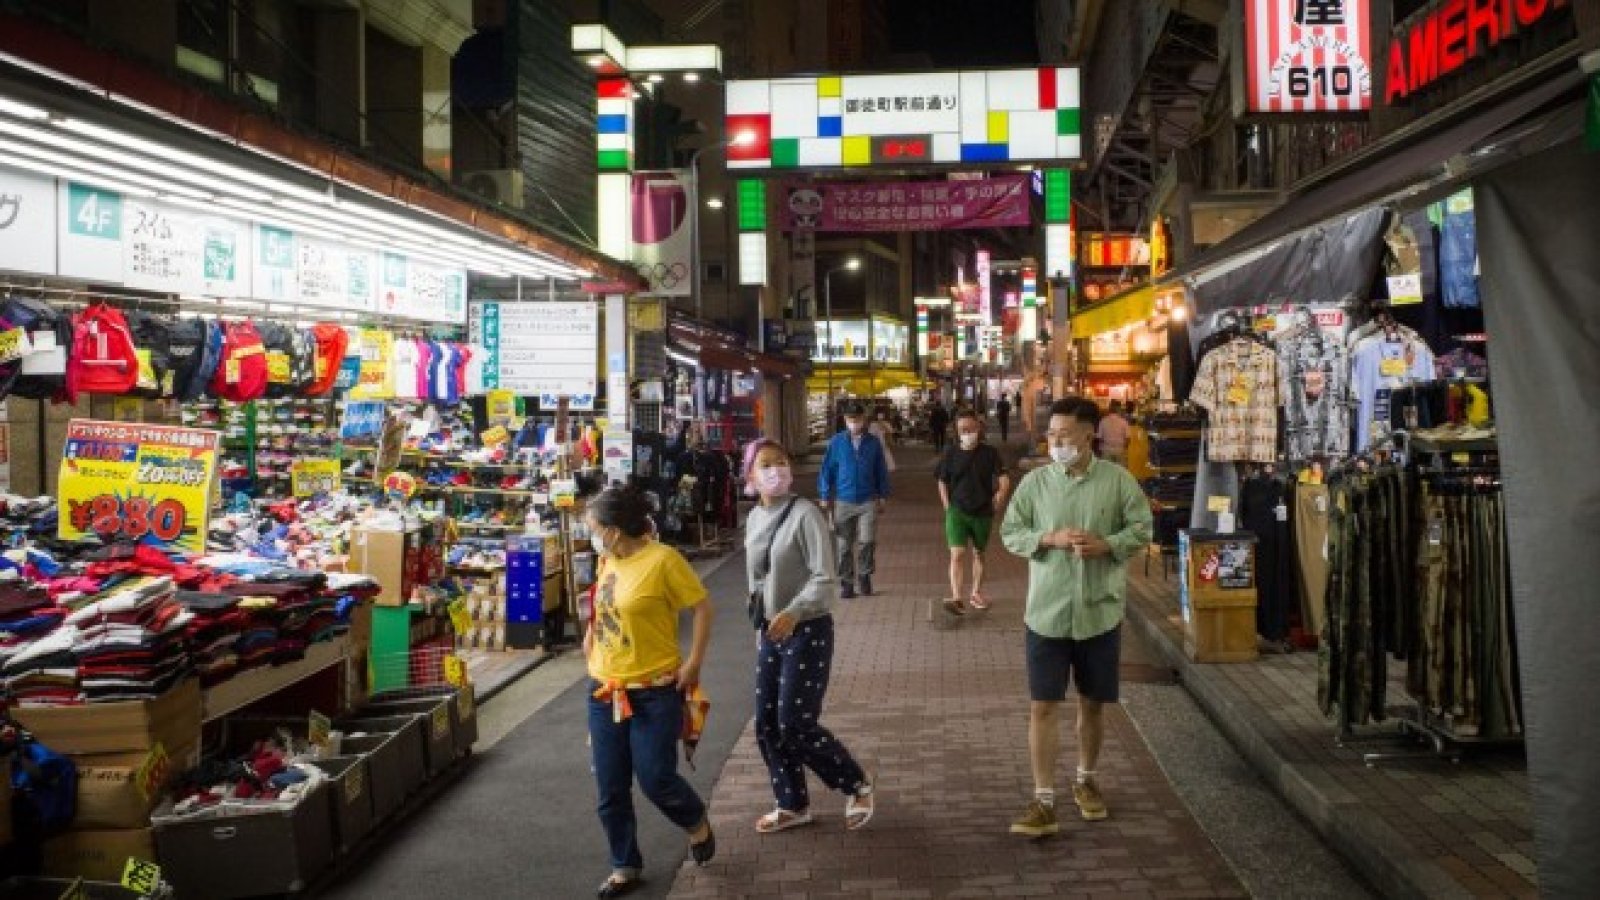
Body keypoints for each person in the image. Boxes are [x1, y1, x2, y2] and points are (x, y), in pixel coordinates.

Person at [1000, 398, 1153, 838]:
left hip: (1099, 610)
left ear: (1089, 436)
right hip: (1046, 612)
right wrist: (1048, 538)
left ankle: (1086, 779)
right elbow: (1011, 532)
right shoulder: (1035, 483)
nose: (1056, 442)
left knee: (1092, 703)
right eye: (1052, 435)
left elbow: (1142, 528)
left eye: (1064, 435)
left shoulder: (1118, 481)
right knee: (1043, 705)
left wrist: (1108, 545)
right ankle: (1043, 800)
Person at [583, 486, 717, 897]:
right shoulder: (608, 559)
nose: (592, 536)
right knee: (610, 788)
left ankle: (695, 820)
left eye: (594, 528)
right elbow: (606, 606)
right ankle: (624, 864)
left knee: (656, 778)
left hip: (655, 692)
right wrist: (591, 634)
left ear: (614, 530)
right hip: (605, 690)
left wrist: (694, 662)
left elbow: (702, 607)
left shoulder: (663, 560)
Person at [744, 440, 876, 834]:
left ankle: (856, 783)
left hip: (807, 629)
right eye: (765, 465)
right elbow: (756, 580)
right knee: (767, 723)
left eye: (781, 462)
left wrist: (794, 611)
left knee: (794, 723)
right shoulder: (754, 518)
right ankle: (791, 803)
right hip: (771, 631)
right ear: (750, 475)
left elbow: (825, 577)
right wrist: (761, 624)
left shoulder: (806, 515)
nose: (776, 470)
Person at [936, 410, 1012, 614]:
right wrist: (947, 506)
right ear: (957, 431)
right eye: (963, 430)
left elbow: (1004, 478)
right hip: (957, 511)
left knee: (979, 553)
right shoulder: (950, 453)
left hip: (983, 511)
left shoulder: (990, 453)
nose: (967, 433)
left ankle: (976, 592)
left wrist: (1001, 494)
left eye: (971, 428)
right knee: (957, 554)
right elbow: (942, 480)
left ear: (979, 428)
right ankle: (956, 598)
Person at [817, 403, 892, 598]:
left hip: (868, 500)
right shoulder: (836, 442)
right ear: (845, 420)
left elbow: (881, 471)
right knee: (844, 545)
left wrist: (883, 495)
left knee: (867, 541)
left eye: (857, 419)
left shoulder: (873, 443)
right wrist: (824, 494)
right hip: (843, 500)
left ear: (863, 419)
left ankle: (865, 575)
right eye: (850, 419)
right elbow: (827, 470)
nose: (854, 423)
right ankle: (847, 582)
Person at [1097, 401, 1132, 467]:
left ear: (1109, 410)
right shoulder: (1124, 422)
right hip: (1120, 450)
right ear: (1118, 410)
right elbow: (1128, 438)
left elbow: (1099, 437)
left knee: (1107, 470)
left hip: (1106, 449)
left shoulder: (1103, 421)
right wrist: (1124, 448)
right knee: (1120, 470)